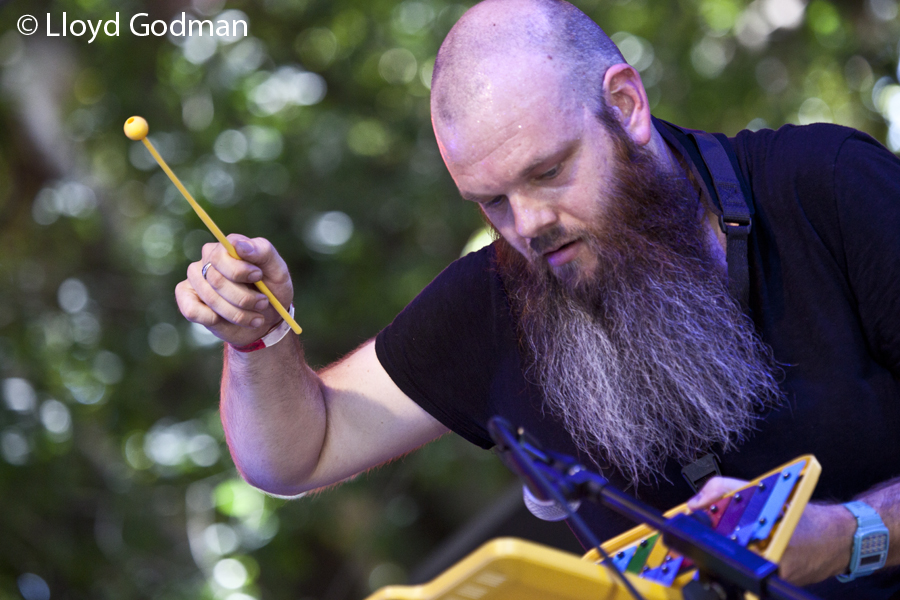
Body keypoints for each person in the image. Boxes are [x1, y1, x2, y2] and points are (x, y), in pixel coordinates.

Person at [175, 0, 900, 596]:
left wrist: (847, 537)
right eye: (490, 201)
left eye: (549, 171)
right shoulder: (496, 299)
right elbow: (297, 455)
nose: (528, 225)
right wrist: (259, 337)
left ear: (625, 105)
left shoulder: (822, 186)